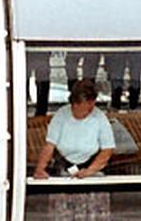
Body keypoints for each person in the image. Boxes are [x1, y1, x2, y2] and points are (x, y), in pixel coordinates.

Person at [33, 80, 115, 220]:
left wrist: (89, 171)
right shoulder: (61, 116)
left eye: (92, 104)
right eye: (87, 105)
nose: (91, 109)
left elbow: (107, 149)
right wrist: (40, 169)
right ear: (75, 103)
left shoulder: (99, 117)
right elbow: (49, 145)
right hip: (65, 170)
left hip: (92, 172)